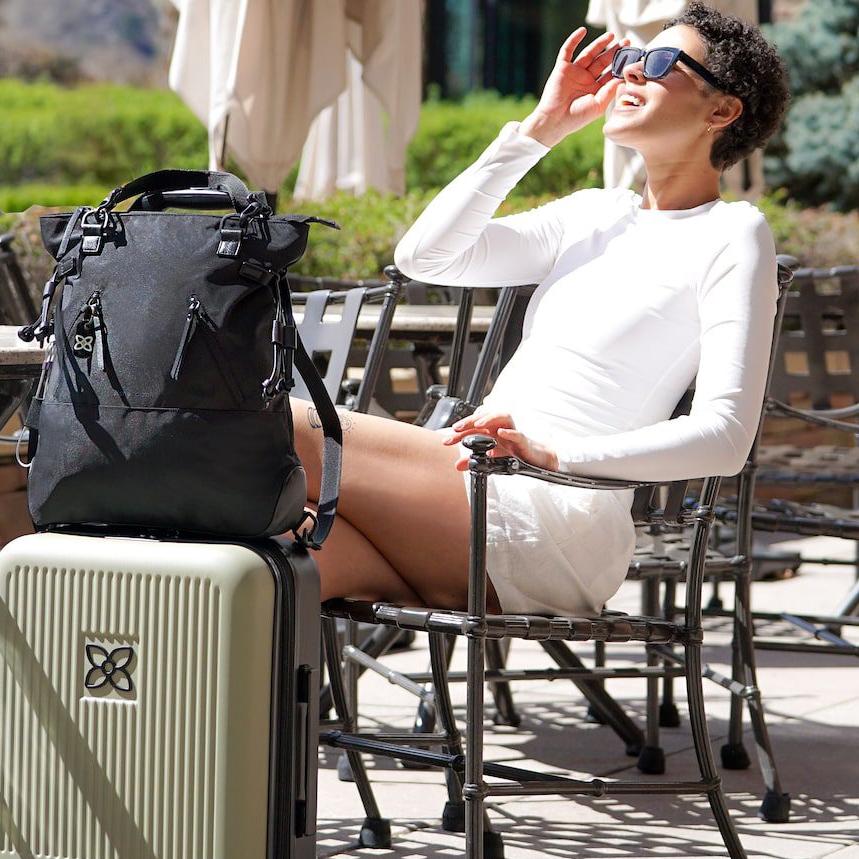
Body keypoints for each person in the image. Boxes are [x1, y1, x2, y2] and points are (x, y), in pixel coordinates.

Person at [291, 1, 790, 617]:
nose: (630, 71)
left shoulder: (733, 233)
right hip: (469, 492)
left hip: (553, 516)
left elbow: (724, 438)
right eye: (630, 57)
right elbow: (427, 257)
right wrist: (541, 128)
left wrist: (553, 456)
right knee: (274, 560)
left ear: (723, 110)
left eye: (658, 62)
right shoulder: (592, 213)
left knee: (278, 423)